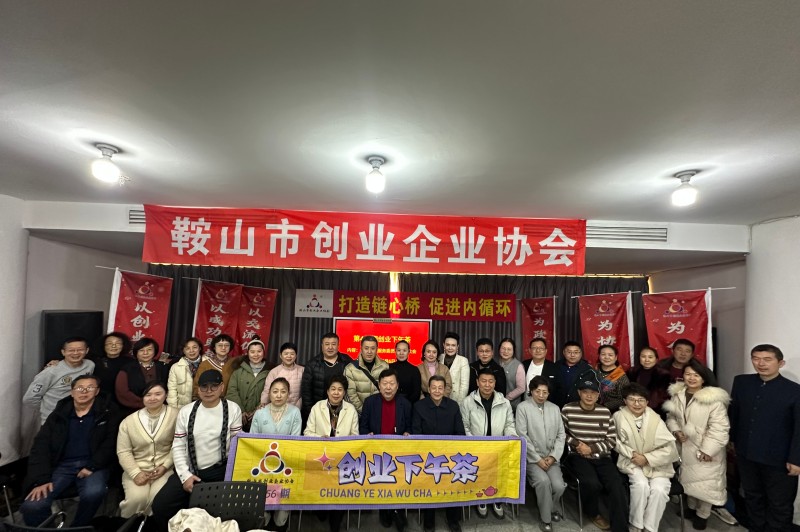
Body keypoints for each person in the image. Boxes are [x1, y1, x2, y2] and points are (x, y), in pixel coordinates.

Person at [20, 374, 121, 527]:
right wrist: (42, 479)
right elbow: (40, 447)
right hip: (61, 466)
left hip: (94, 465)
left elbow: (111, 443)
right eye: (79, 388)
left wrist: (92, 466)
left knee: (93, 493)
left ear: (97, 391)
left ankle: (78, 527)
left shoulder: (108, 412)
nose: (84, 391)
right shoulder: (58, 414)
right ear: (72, 392)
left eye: (90, 388)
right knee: (33, 505)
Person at [151, 369, 243, 532]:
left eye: (214, 386)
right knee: (161, 505)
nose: (209, 391)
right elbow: (178, 446)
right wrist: (185, 475)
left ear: (222, 387)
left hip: (219, 471)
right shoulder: (186, 411)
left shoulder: (233, 409)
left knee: (217, 513)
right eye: (204, 387)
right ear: (198, 389)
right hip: (190, 469)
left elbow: (238, 444)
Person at [729, 344, 800, 532]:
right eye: (756, 358)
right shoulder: (742, 382)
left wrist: (796, 459)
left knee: (780, 502)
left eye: (767, 359)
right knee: (752, 496)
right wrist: (732, 441)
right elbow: (734, 413)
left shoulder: (794, 390)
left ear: (780, 363)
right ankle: (756, 528)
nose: (761, 363)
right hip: (746, 453)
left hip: (779, 459)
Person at [663, 359, 729, 530]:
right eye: (688, 374)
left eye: (696, 375)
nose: (691, 378)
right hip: (684, 446)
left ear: (704, 378)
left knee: (707, 483)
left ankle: (703, 514)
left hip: (705, 447)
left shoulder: (713, 399)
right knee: (690, 479)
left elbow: (720, 428)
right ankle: (691, 508)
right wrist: (676, 431)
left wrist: (708, 450)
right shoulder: (678, 395)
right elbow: (671, 417)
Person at [561, 376, 628, 532]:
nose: (589, 396)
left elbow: (611, 440)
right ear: (579, 393)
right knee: (591, 483)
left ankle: (620, 527)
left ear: (598, 395)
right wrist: (578, 444)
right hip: (577, 456)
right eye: (585, 392)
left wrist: (592, 449)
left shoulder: (604, 412)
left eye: (593, 393)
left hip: (602, 456)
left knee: (616, 485)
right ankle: (593, 513)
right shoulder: (568, 409)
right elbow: (560, 433)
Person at [613, 383, 678, 532]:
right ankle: (636, 524)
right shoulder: (618, 416)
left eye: (641, 400)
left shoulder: (656, 419)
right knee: (641, 485)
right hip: (632, 461)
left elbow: (670, 448)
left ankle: (650, 527)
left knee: (659, 490)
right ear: (625, 401)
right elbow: (614, 441)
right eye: (632, 399)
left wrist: (647, 458)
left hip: (657, 464)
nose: (637, 404)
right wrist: (632, 454)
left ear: (647, 402)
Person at [360, 369, 412, 532]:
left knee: (399, 482)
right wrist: (367, 435)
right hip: (376, 452)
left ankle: (397, 510)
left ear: (397, 386)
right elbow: (363, 426)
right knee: (382, 482)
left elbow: (410, 426)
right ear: (379, 385)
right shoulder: (370, 402)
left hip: (399, 452)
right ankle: (384, 510)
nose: (388, 387)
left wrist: (408, 433)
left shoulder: (405, 404)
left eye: (391, 384)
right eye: (385, 384)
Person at [305, 375, 359, 532]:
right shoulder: (317, 407)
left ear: (344, 392)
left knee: (339, 491)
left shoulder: (351, 410)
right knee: (320, 492)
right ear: (327, 391)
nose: (336, 393)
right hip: (321, 458)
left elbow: (355, 436)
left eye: (340, 390)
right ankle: (321, 511)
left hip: (342, 459)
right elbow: (307, 433)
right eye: (333, 389)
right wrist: (320, 438)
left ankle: (336, 521)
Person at [461, 368, 516, 520]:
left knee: (499, 472)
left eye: (490, 381)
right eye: (484, 381)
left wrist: (512, 438)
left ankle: (497, 500)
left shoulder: (504, 402)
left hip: (499, 446)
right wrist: (474, 443)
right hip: (476, 447)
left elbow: (509, 424)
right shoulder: (467, 402)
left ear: (495, 383)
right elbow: (465, 426)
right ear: (477, 382)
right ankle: (481, 499)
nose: (487, 385)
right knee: (481, 472)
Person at [116, 382, 178, 518]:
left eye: (158, 394)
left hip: (164, 469)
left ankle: (151, 526)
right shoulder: (128, 421)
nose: (153, 398)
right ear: (142, 397)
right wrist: (135, 473)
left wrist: (165, 466)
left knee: (158, 499)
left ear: (166, 395)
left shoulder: (176, 415)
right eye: (148, 395)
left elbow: (179, 444)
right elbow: (123, 451)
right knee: (136, 500)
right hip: (136, 469)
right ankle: (128, 525)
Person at [412, 375, 465, 532]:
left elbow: (460, 432)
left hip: (450, 456)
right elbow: (416, 433)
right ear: (428, 389)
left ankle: (453, 520)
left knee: (453, 483)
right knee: (429, 485)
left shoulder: (453, 406)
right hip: (427, 457)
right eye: (433, 388)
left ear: (445, 389)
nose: (436, 391)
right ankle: (429, 521)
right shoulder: (419, 406)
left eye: (440, 388)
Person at [251, 378, 302, 532]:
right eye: (275, 391)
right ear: (269, 393)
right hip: (262, 467)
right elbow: (252, 441)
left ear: (288, 394)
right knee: (263, 508)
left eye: (283, 391)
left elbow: (295, 441)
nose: (279, 395)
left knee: (281, 511)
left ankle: (281, 524)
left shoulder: (295, 412)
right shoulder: (260, 413)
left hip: (286, 467)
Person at [515, 376, 566, 532]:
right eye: (538, 391)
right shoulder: (523, 407)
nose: (541, 395)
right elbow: (522, 435)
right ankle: (546, 518)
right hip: (532, 459)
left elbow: (561, 435)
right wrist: (537, 459)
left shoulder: (555, 408)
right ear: (531, 391)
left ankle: (551, 507)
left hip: (551, 458)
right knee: (543, 482)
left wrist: (553, 457)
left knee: (558, 486)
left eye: (545, 392)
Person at [23, 336, 95, 424]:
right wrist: (47, 409)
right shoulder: (51, 372)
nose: (76, 353)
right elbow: (30, 398)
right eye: (71, 350)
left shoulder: (90, 365)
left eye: (80, 349)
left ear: (87, 350)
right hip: (54, 419)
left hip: (78, 417)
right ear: (63, 352)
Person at [300, 333, 352, 422]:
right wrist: (312, 413)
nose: (330, 347)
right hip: (319, 411)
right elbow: (306, 391)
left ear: (338, 345)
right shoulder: (312, 364)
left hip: (343, 411)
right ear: (322, 346)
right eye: (327, 344)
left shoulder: (347, 361)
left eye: (333, 344)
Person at [115, 337, 169, 413]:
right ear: (136, 352)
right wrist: (144, 403)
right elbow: (122, 392)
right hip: (133, 409)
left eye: (149, 350)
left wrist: (158, 402)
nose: (145, 353)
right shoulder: (127, 368)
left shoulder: (163, 367)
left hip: (160, 408)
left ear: (155, 351)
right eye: (141, 350)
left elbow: (169, 388)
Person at [227, 338, 271, 430]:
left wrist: (257, 411)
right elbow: (232, 392)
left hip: (262, 415)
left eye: (259, 351)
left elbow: (271, 393)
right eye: (252, 352)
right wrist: (241, 411)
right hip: (238, 415)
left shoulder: (271, 371)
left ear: (264, 352)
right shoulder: (238, 371)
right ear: (247, 353)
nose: (256, 355)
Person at [344, 335, 389, 414]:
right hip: (358, 414)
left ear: (377, 349)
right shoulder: (350, 368)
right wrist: (364, 411)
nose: (369, 352)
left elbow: (388, 390)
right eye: (366, 348)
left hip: (380, 412)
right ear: (361, 348)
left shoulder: (384, 366)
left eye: (372, 348)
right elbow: (351, 394)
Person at [626, 347, 670, 415]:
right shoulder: (632, 372)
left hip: (655, 411)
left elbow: (664, 397)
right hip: (633, 408)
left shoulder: (664, 375)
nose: (646, 360)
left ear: (656, 359)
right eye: (643, 356)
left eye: (650, 357)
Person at [261, 341, 305, 410]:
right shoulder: (274, 372)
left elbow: (306, 391)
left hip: (297, 408)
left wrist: (298, 406)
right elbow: (267, 390)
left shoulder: (302, 370)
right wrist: (263, 402)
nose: (289, 356)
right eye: (286, 354)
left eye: (292, 354)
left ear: (296, 355)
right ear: (280, 355)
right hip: (278, 407)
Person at [552, 341, 594, 407]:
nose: (572, 355)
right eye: (569, 352)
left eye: (576, 352)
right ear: (564, 353)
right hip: (556, 405)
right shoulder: (556, 365)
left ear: (581, 353)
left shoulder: (588, 369)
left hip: (578, 406)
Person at [92, 332, 131, 404]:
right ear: (103, 346)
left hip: (124, 400)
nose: (113, 346)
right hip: (99, 400)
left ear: (123, 346)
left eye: (118, 343)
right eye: (109, 343)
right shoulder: (95, 362)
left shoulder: (130, 362)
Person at [167, 337, 204, 408]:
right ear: (183, 351)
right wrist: (173, 409)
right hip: (184, 407)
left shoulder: (208, 363)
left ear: (200, 348)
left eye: (194, 347)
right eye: (187, 348)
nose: (191, 351)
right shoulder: (175, 367)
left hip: (205, 405)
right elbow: (172, 390)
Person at [595, 345, 629, 413]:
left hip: (612, 412)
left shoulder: (620, 376)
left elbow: (623, 399)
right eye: (603, 354)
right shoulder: (595, 370)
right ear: (599, 356)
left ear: (616, 357)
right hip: (592, 408)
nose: (606, 357)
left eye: (610, 355)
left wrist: (603, 406)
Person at [440, 332, 469, 403]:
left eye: (453, 345)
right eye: (447, 345)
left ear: (457, 346)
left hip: (455, 399)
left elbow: (464, 386)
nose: (450, 348)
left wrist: (458, 404)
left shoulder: (463, 360)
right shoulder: (439, 357)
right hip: (439, 396)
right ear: (443, 345)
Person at [390, 340, 422, 406]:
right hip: (390, 403)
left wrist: (406, 403)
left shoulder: (414, 370)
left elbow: (416, 393)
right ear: (395, 351)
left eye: (404, 350)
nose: (401, 353)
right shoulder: (389, 367)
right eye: (399, 350)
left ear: (409, 351)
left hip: (409, 405)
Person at [497, 337, 526, 410]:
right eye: (503, 348)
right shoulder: (495, 363)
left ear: (513, 351)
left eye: (509, 349)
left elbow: (521, 388)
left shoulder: (518, 366)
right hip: (495, 404)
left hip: (511, 406)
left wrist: (505, 398)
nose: (506, 351)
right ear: (499, 349)